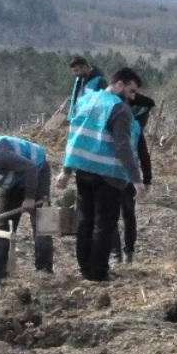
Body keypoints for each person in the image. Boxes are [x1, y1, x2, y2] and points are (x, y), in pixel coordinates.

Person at [57, 67, 146, 282]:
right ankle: (98, 272)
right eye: (131, 91)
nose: (133, 97)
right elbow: (123, 147)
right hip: (108, 174)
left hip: (84, 171)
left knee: (85, 221)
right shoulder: (119, 109)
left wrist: (66, 170)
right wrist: (137, 180)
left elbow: (73, 137)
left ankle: (85, 269)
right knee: (104, 224)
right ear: (120, 84)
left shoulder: (86, 100)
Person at [0, 135, 54, 277]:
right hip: (14, 179)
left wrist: (30, 197)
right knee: (3, 224)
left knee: (41, 222)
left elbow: (30, 168)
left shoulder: (0, 156)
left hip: (37, 170)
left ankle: (44, 268)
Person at [110, 78, 155, 264]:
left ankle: (129, 251)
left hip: (128, 176)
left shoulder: (135, 127)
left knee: (128, 213)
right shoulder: (109, 122)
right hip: (110, 174)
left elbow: (143, 154)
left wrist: (147, 179)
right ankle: (115, 253)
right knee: (111, 214)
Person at [66, 56, 105, 122]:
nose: (75, 74)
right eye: (73, 71)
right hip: (76, 118)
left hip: (90, 122)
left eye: (77, 71)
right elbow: (74, 99)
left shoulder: (99, 81)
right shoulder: (78, 80)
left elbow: (103, 104)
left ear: (85, 67)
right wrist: (70, 117)